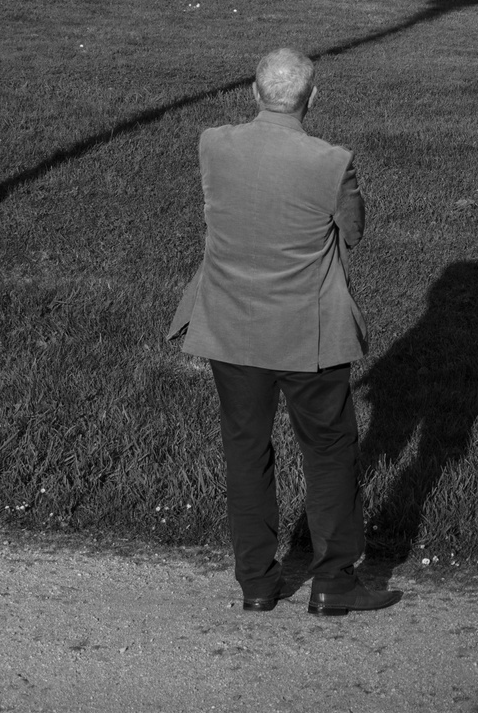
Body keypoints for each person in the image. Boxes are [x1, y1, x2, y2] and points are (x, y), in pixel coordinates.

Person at [167, 48, 401, 616]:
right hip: (308, 333)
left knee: (246, 452)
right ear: (312, 98)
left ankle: (255, 583)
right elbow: (354, 229)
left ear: (253, 93)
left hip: (229, 325)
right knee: (329, 452)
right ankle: (333, 584)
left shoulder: (213, 144)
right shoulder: (330, 160)